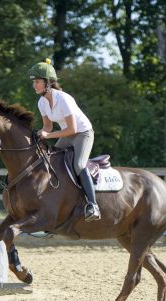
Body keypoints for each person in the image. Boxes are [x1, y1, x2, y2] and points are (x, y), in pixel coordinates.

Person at [28, 59, 101, 222]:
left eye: (38, 81)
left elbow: (72, 129)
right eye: (34, 82)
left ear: (48, 83)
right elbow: (48, 127)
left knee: (79, 165)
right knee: (50, 160)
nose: (35, 85)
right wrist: (40, 133)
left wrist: (48, 136)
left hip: (83, 133)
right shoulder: (42, 102)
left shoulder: (63, 99)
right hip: (66, 135)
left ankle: (92, 205)